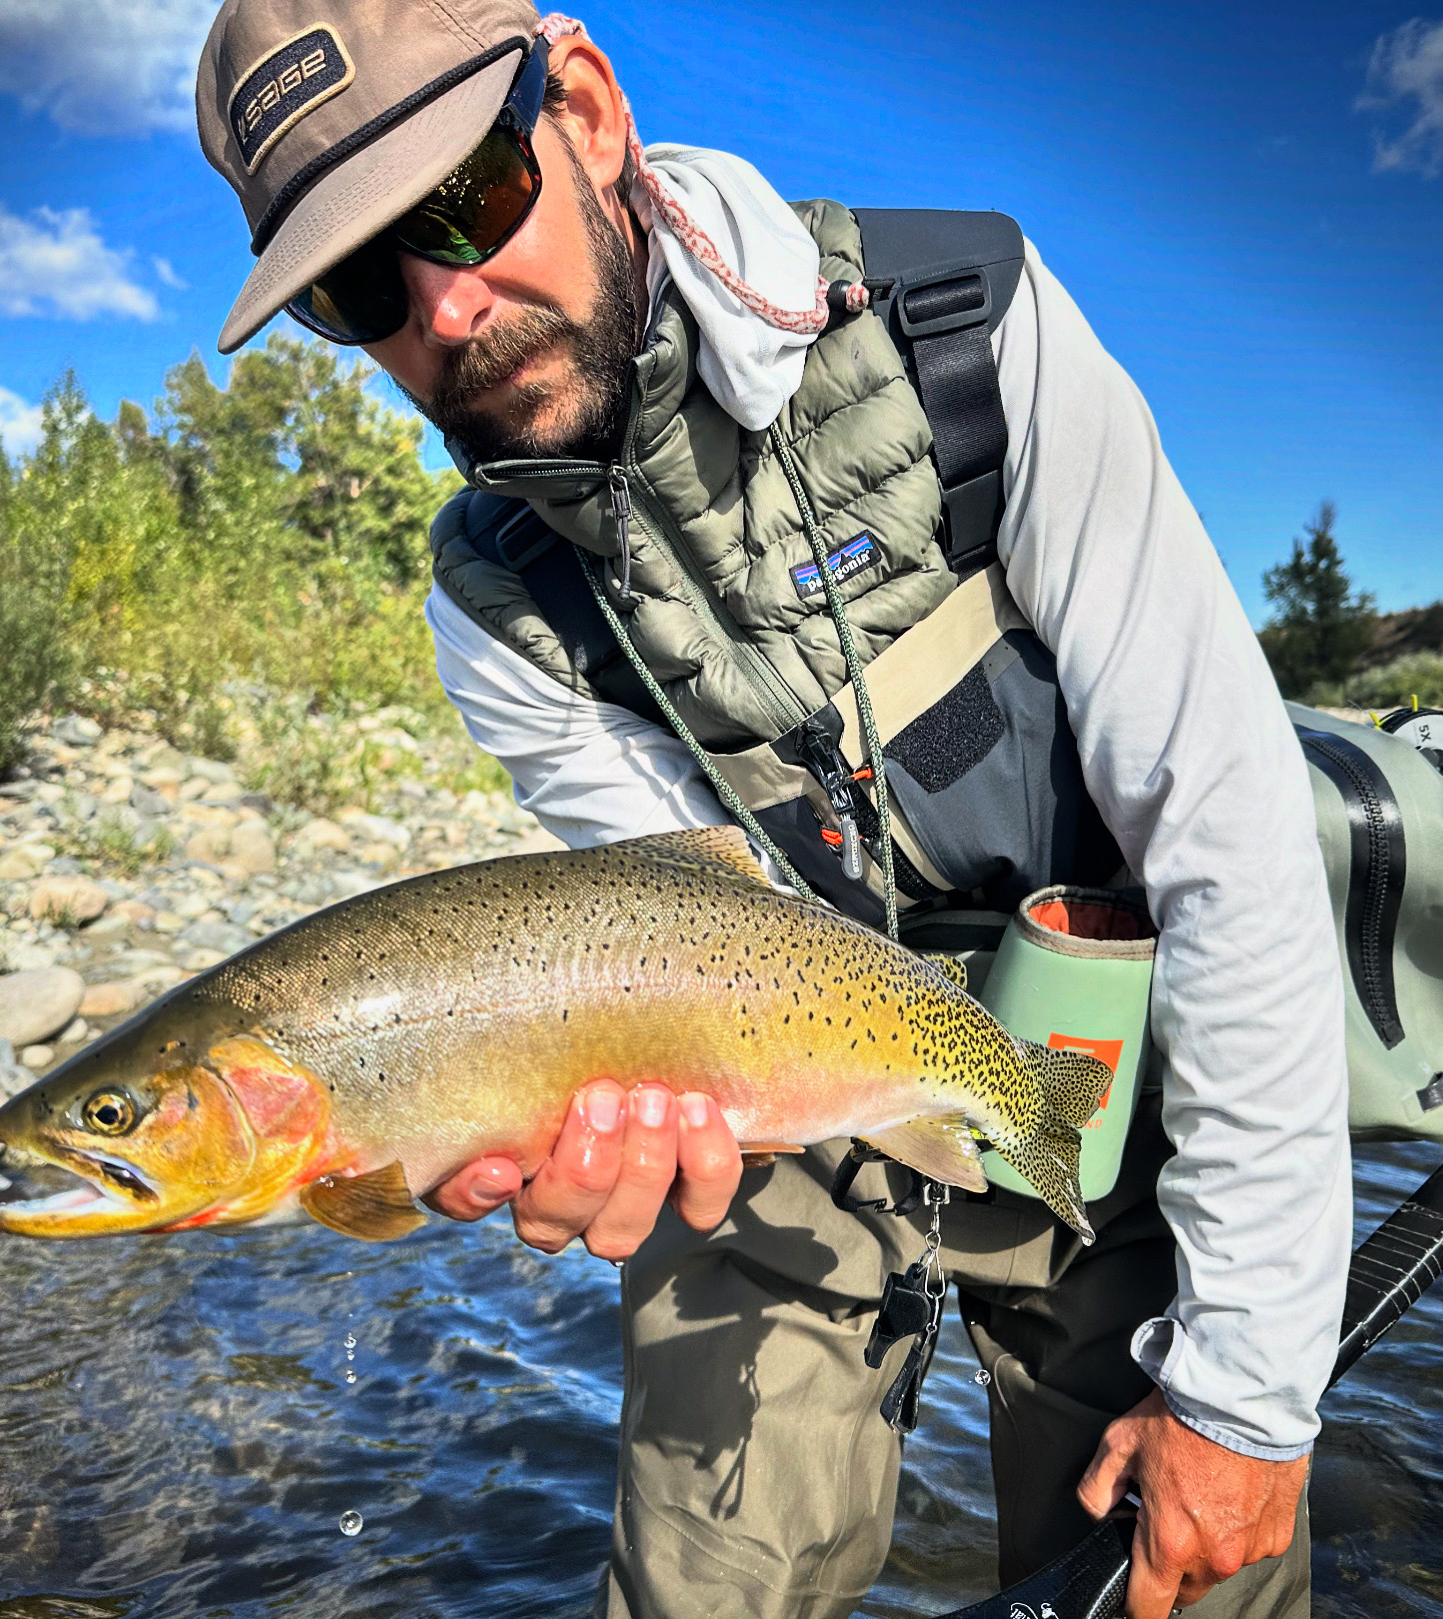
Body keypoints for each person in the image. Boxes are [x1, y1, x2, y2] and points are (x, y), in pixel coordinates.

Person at [194, 3, 1351, 1615]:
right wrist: (600, 1117)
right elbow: (683, 927)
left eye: (464, 200)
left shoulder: (973, 331)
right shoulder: (492, 602)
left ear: (586, 109)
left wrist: (1247, 1387)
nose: (444, 304)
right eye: (354, 287)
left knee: (1187, 1560)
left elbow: (1232, 835)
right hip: (766, 1080)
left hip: (1122, 1058)